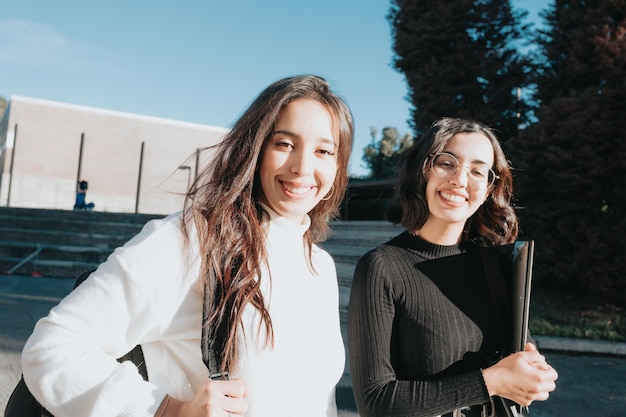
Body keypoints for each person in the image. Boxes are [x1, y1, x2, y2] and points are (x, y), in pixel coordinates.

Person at [21, 74, 354, 417]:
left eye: (323, 151)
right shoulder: (195, 239)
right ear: (255, 149)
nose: (302, 167)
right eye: (284, 143)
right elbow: (51, 348)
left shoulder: (320, 267)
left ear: (338, 167)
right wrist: (166, 410)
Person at [348, 117, 558, 417]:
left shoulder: (496, 261)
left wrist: (531, 361)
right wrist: (492, 382)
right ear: (423, 171)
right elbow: (376, 401)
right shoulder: (381, 267)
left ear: (487, 189)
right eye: (447, 163)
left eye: (477, 171)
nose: (460, 180)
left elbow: (516, 341)